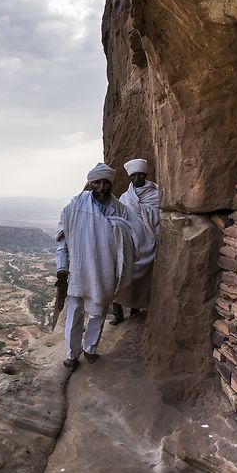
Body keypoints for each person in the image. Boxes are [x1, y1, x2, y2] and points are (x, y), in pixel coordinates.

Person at [55, 162, 135, 370]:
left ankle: (90, 349)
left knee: (98, 313)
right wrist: (62, 268)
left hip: (104, 271)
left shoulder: (120, 209)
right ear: (90, 183)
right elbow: (63, 241)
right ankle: (72, 355)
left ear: (111, 184)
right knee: (75, 314)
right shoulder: (73, 209)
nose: (101, 187)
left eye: (105, 183)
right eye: (97, 183)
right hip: (79, 272)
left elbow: (128, 241)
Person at [110, 158, 160, 324]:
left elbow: (158, 216)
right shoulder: (125, 197)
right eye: (134, 176)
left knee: (142, 278)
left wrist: (142, 210)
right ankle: (117, 313)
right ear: (130, 178)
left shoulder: (156, 194)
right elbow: (120, 217)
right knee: (121, 274)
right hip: (130, 242)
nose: (137, 178)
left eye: (140, 175)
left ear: (145, 175)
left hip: (148, 241)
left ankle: (135, 309)